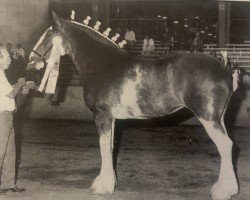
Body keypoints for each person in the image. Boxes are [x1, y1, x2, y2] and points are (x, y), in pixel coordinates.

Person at [0, 47, 34, 195]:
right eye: (6, 57)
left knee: (9, 151)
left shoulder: (2, 74)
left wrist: (24, 86)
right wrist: (21, 83)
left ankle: (7, 184)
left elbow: (11, 91)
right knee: (1, 151)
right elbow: (9, 94)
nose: (10, 59)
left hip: (7, 116)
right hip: (1, 117)